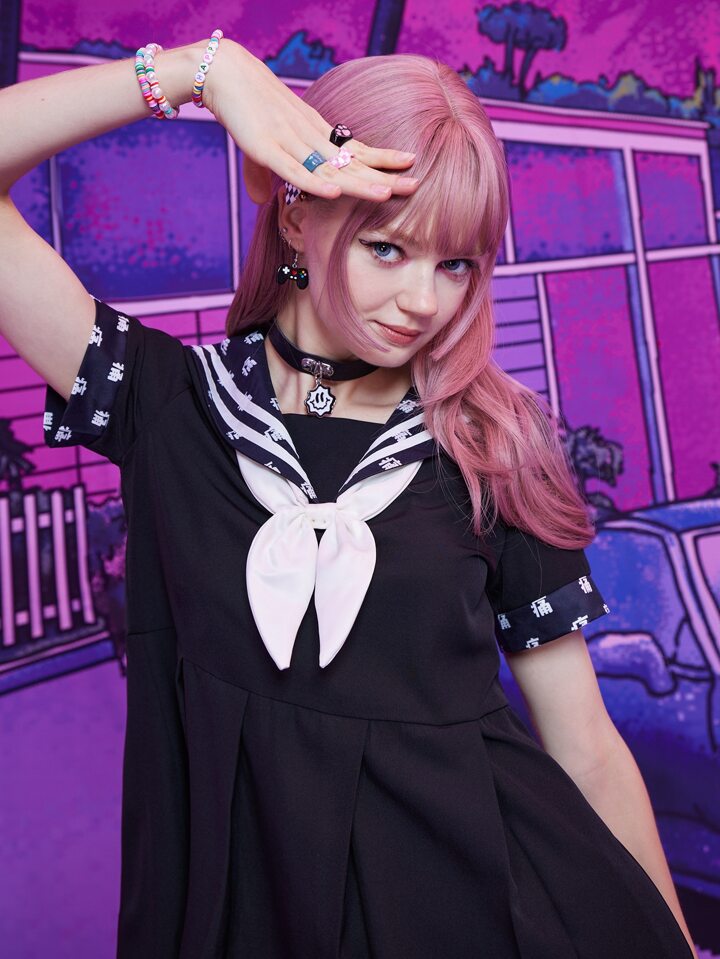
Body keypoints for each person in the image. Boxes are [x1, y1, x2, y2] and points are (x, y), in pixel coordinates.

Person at [0, 31, 697, 959]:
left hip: (475, 915)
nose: (425, 302)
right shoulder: (169, 406)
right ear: (297, 215)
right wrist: (203, 73)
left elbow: (587, 746)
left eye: (456, 264)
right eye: (387, 247)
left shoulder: (490, 446)